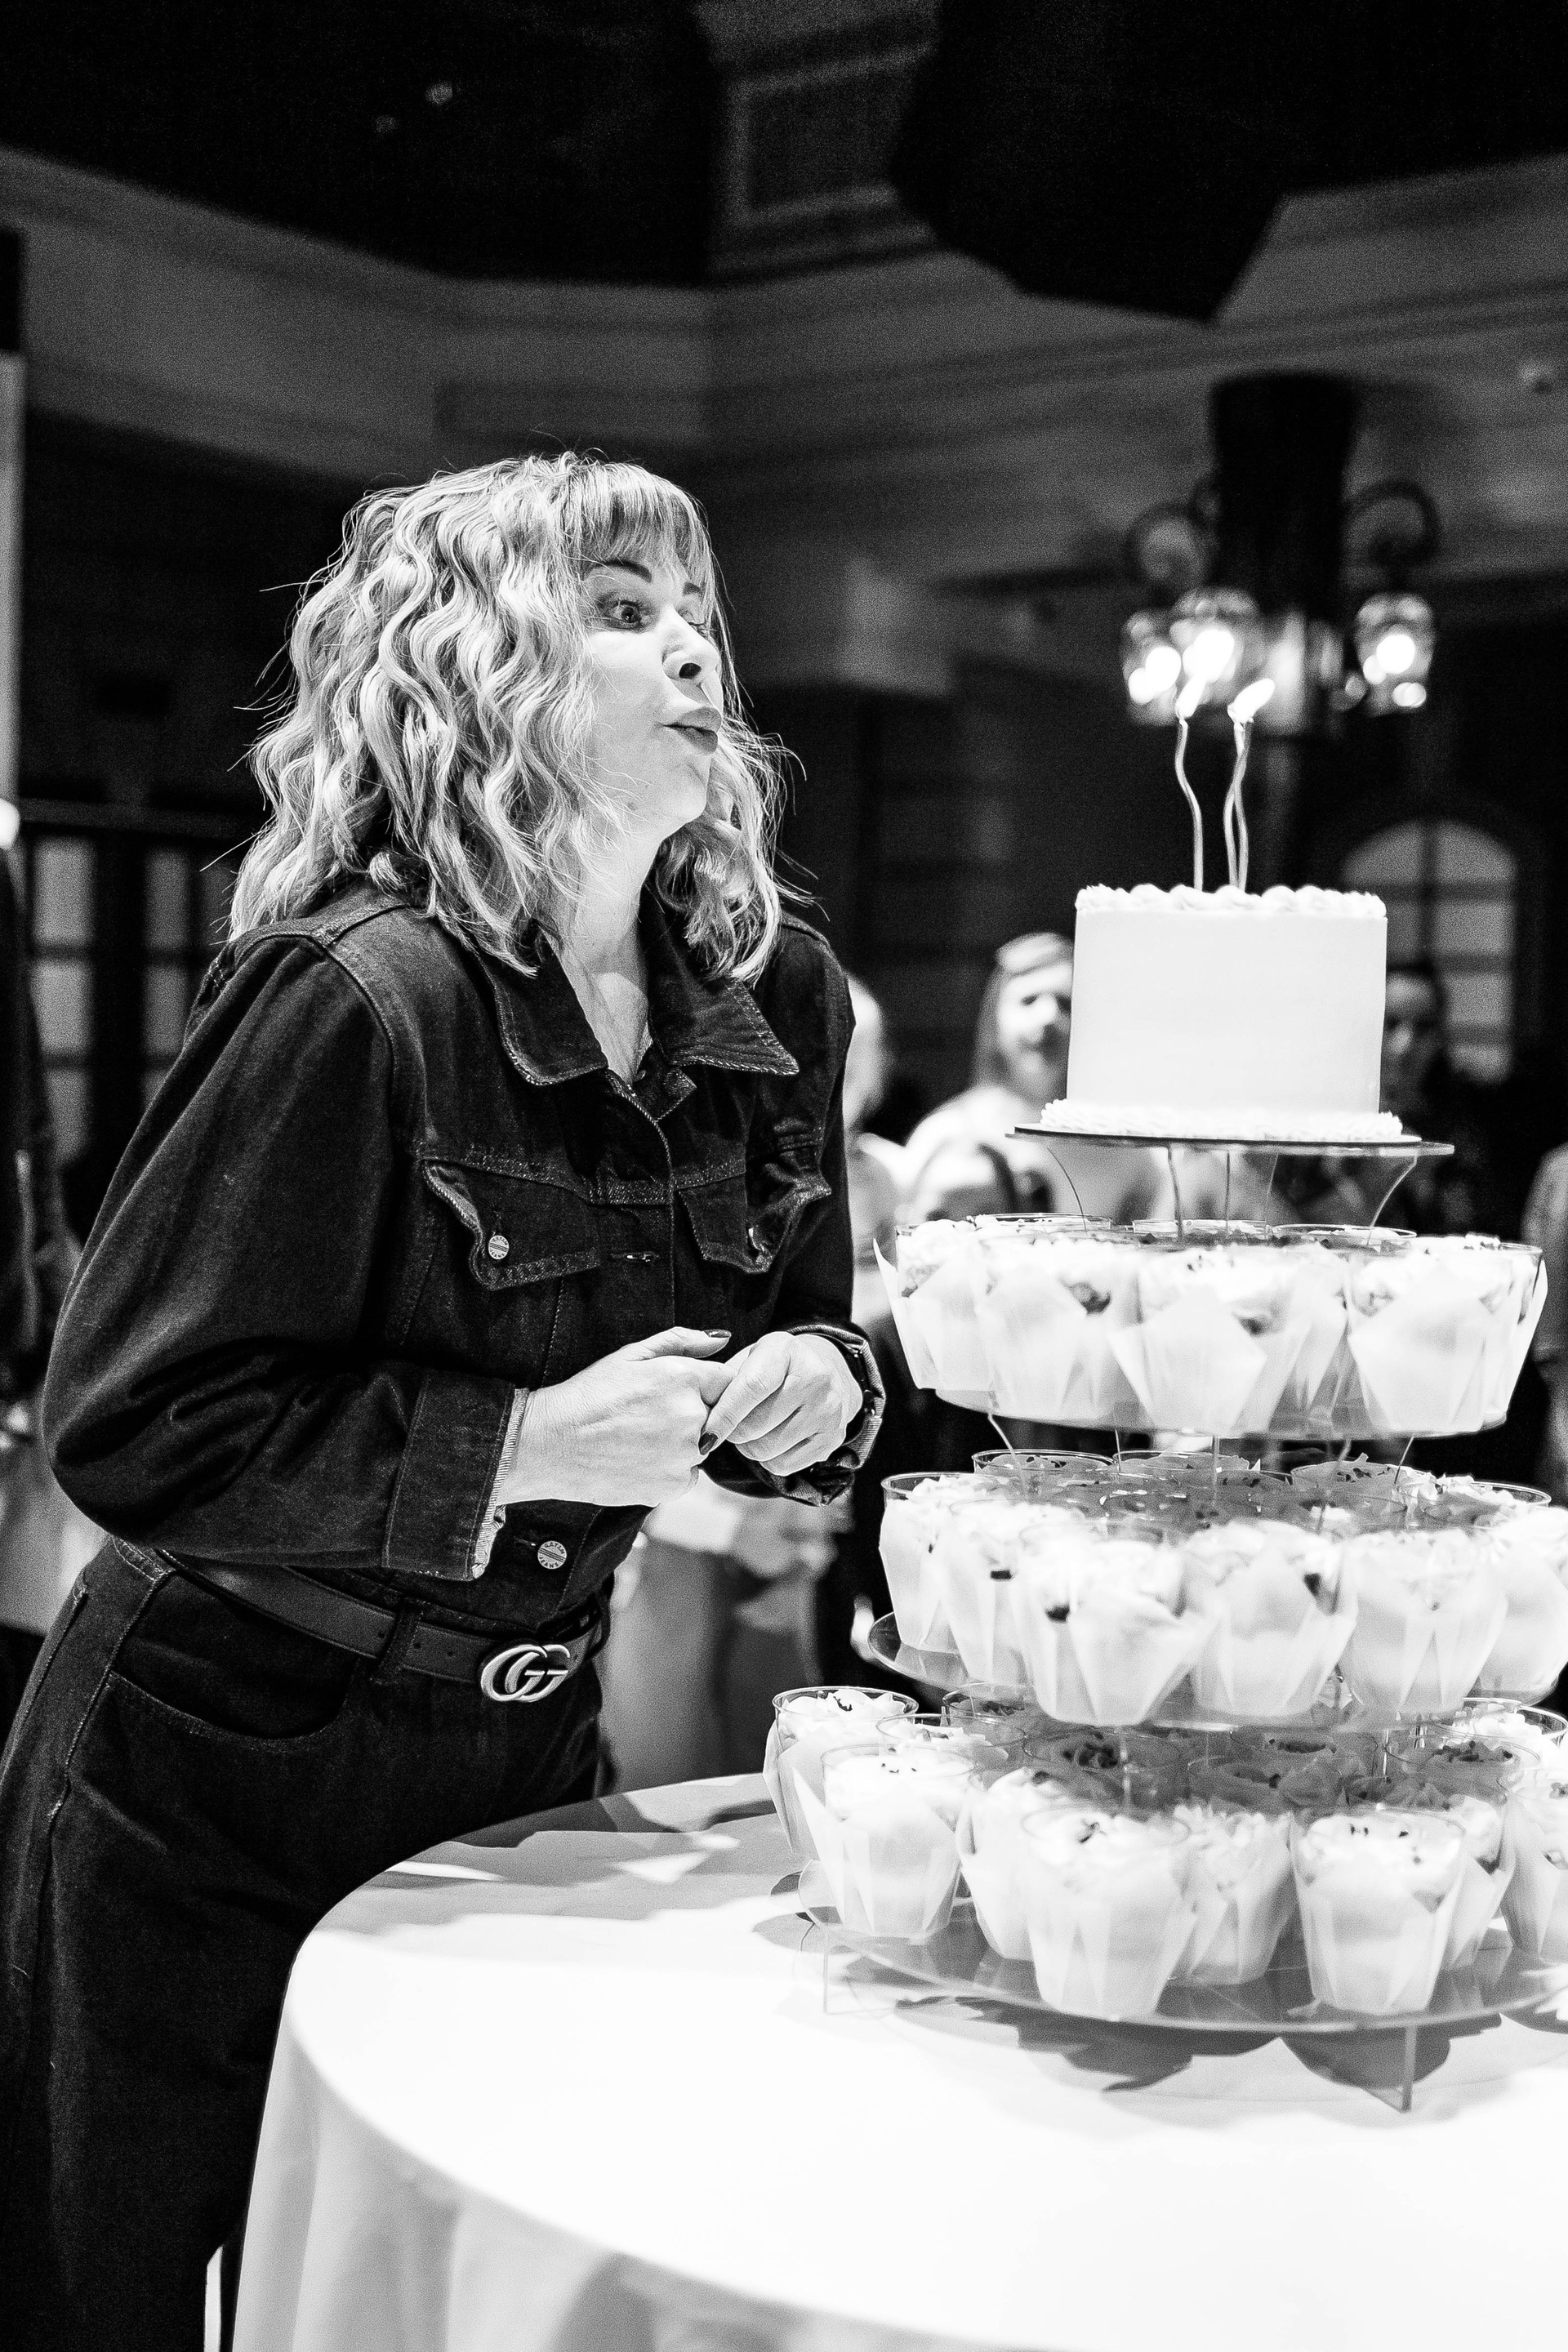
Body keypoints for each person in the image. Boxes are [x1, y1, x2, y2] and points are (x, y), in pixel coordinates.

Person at [0, 454, 883, 2352]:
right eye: (624, 612)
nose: (694, 650)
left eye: (695, 613)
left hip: (518, 1757)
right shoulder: (358, 993)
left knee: (425, 2289)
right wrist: (530, 1447)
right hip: (206, 1761)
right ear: (484, 669)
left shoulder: (779, 997)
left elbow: (823, 1326)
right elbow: (133, 1421)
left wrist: (827, 1379)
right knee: (105, 2298)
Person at [902, 930, 1168, 1225]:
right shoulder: (944, 1134)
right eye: (1028, 1000)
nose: (1048, 1017)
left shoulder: (1128, 1151)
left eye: (1066, 1004)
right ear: (994, 1021)